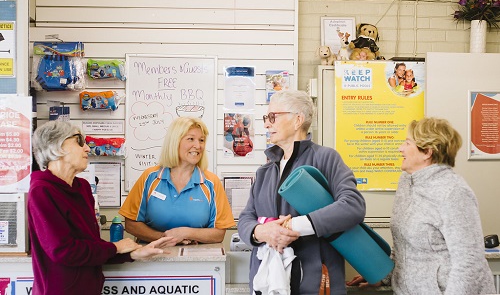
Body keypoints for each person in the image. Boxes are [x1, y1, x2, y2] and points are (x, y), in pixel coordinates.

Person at [347, 117, 496, 294]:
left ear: (427, 152)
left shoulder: (454, 192)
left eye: (407, 143)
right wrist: (383, 276)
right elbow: (403, 247)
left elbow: (470, 263)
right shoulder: (407, 182)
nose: (400, 148)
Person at [238, 90, 366, 294]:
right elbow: (245, 218)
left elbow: (353, 206)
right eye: (266, 118)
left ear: (298, 119)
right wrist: (262, 232)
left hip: (315, 284)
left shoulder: (326, 158)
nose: (266, 124)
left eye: (273, 117)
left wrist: (293, 227)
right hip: (270, 284)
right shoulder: (265, 170)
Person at [28, 121, 175, 295]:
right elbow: (63, 251)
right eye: (78, 141)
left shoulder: (81, 187)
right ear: (56, 146)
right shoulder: (42, 191)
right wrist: (116, 247)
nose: (87, 149)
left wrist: (133, 254)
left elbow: (92, 247)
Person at [120, 116, 235, 244]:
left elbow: (219, 233)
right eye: (191, 139)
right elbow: (131, 223)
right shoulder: (150, 177)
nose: (198, 146)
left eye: (201, 140)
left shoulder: (211, 183)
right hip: (151, 257)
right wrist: (166, 239)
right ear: (175, 142)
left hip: (198, 260)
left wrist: (186, 233)